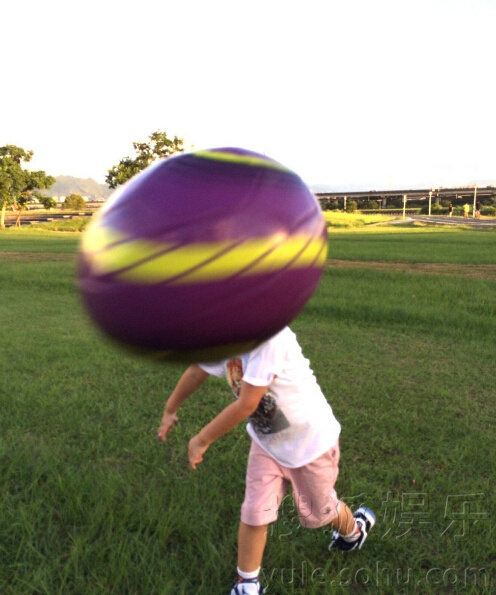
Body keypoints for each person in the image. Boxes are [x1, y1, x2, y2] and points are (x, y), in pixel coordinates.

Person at [158, 326, 375, 594]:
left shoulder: (271, 338)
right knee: (254, 512)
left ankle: (354, 530)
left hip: (310, 446)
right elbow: (195, 371)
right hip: (267, 445)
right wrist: (170, 409)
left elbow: (248, 404)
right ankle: (247, 583)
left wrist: (202, 439)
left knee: (319, 512)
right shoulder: (223, 336)